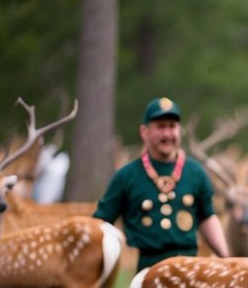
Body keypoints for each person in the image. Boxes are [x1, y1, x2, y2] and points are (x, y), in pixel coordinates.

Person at [94, 97, 230, 270]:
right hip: (146, 270)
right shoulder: (126, 176)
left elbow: (207, 217)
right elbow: (100, 223)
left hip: (190, 270)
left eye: (172, 126)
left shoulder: (195, 172)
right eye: (160, 127)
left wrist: (227, 259)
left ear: (179, 131)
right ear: (144, 132)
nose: (167, 134)